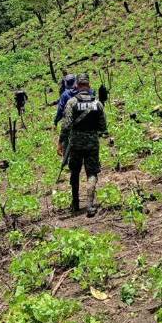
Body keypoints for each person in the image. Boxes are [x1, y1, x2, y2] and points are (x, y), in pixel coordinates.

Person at [58, 73, 108, 217]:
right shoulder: (97, 103)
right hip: (92, 144)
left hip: (75, 145)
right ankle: (90, 205)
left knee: (74, 172)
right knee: (91, 173)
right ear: (89, 85)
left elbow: (66, 125)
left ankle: (75, 204)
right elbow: (103, 127)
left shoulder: (72, 103)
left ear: (77, 86)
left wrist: (61, 141)